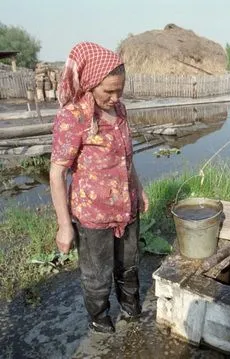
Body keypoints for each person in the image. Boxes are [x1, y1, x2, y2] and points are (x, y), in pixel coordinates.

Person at [49, 42, 149, 334]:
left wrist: (138, 189)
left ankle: (131, 309)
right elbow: (57, 175)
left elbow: (126, 158)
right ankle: (99, 318)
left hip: (126, 206)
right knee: (96, 274)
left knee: (129, 263)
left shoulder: (120, 111)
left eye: (120, 89)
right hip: (93, 214)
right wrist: (64, 226)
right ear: (91, 83)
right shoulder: (73, 117)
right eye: (109, 91)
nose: (115, 97)